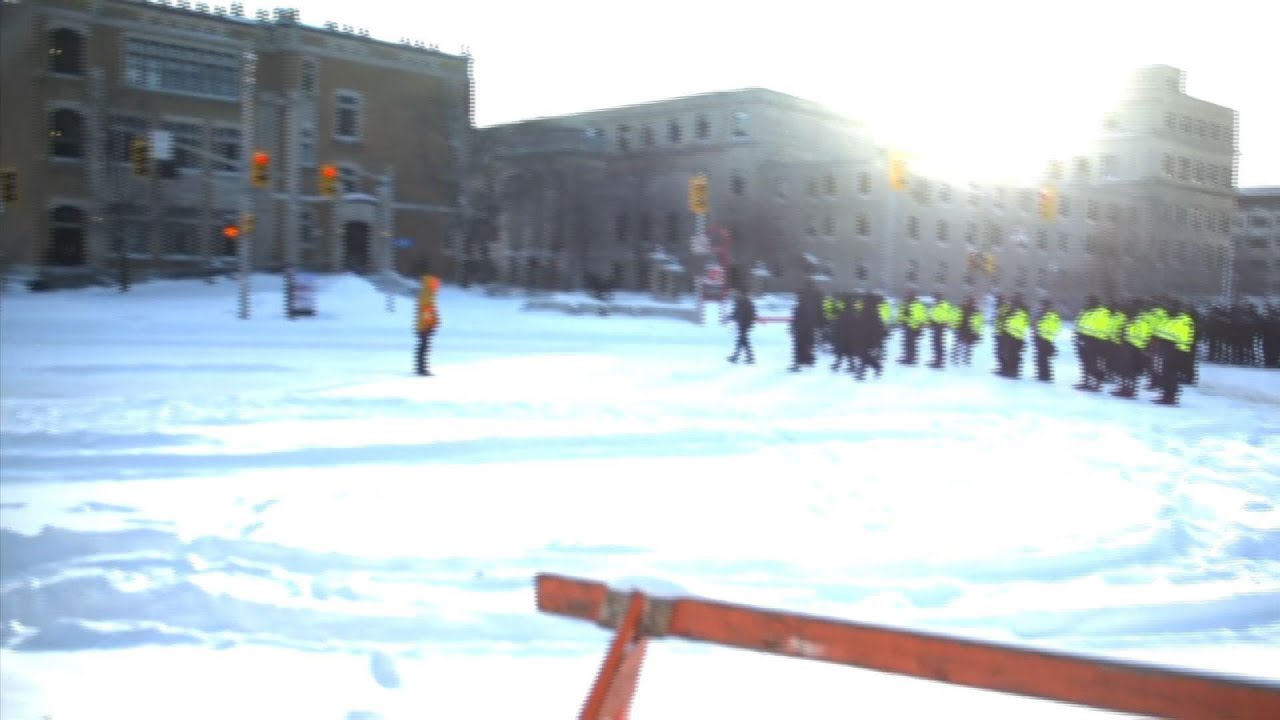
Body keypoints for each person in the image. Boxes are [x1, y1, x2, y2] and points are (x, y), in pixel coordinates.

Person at [415, 269, 441, 376]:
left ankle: (421, 368)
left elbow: (430, 310)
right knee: (424, 348)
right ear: (432, 284)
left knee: (423, 347)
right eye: (436, 285)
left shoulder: (426, 293)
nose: (438, 287)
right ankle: (421, 369)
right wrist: (430, 325)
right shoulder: (427, 294)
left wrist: (435, 321)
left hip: (423, 325)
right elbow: (427, 311)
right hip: (425, 326)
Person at [1033, 299, 1062, 382]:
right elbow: (1036, 325)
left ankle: (1046, 375)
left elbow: (1056, 327)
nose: (1043, 307)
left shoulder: (1052, 316)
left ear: (1049, 306)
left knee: (1044, 358)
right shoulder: (1041, 314)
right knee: (1040, 358)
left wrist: (1048, 335)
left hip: (1046, 339)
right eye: (1042, 305)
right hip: (1039, 338)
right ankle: (1041, 374)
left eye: (1045, 305)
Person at [727, 287, 757, 364]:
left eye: (738, 293)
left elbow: (751, 315)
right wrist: (731, 317)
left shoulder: (747, 302)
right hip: (741, 324)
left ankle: (736, 357)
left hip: (744, 325)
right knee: (743, 341)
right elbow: (736, 312)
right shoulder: (740, 302)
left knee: (741, 341)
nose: (736, 294)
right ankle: (748, 357)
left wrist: (748, 324)